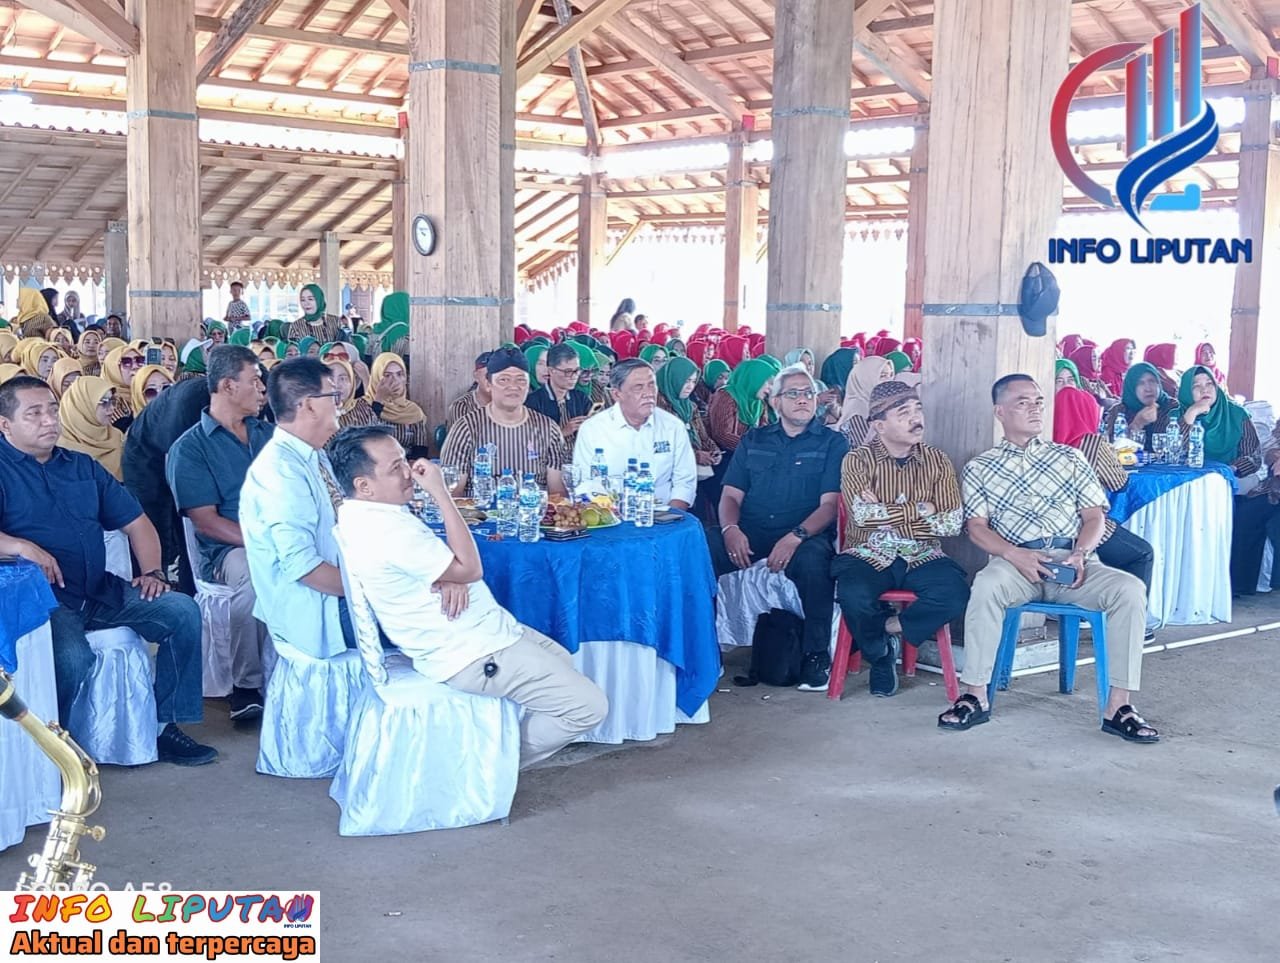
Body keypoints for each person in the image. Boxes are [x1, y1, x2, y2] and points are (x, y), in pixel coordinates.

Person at [331, 426, 608, 768]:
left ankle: (492, 745)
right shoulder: (387, 530)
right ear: (364, 486)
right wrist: (441, 497)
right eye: (395, 468)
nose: (409, 472)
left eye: (405, 460)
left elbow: (453, 568)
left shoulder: (366, 514)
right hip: (470, 652)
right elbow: (471, 569)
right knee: (589, 706)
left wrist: (453, 575)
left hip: (476, 631)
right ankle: (491, 767)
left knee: (562, 659)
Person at [0, 375, 213, 764]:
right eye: (34, 414)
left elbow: (137, 523)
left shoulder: (80, 466)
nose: (49, 420)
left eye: (52, 410)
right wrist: (19, 545)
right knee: (73, 657)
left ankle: (166, 726)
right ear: (5, 424)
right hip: (43, 602)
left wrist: (153, 572)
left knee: (180, 611)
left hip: (98, 590)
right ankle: (53, 748)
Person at [938, 374, 1158, 743]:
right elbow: (975, 528)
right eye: (1023, 402)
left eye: (1038, 400)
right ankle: (974, 695)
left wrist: (1080, 554)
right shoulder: (981, 466)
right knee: (987, 584)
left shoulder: (1069, 457)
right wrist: (1013, 554)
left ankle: (1118, 706)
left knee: (1130, 590)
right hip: (1016, 561)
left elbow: (1094, 516)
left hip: (1073, 562)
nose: (1035, 407)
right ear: (1000, 411)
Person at [710, 363, 845, 691]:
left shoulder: (832, 443)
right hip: (753, 530)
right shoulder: (754, 440)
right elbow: (730, 495)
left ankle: (816, 655)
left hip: (805, 533)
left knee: (816, 563)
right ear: (775, 402)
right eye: (794, 393)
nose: (803, 399)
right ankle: (703, 647)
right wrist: (730, 530)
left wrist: (796, 537)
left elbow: (830, 505)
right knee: (700, 549)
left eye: (809, 393)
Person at [833, 381, 969, 697]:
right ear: (879, 424)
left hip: (922, 554)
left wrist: (885, 511)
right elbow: (861, 517)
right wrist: (922, 509)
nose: (915, 418)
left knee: (954, 593)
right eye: (903, 412)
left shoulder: (937, 460)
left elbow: (950, 523)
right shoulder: (858, 460)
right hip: (869, 552)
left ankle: (887, 632)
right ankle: (880, 656)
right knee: (853, 593)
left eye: (917, 409)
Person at [167, 346, 273, 721]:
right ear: (228, 386)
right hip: (227, 550)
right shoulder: (190, 448)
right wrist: (266, 542)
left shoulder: (270, 435)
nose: (263, 388)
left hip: (280, 535)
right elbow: (207, 522)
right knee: (252, 575)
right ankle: (246, 687)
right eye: (255, 379)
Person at [240, 358, 354, 656]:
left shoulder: (312, 454)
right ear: (310, 405)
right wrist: (374, 587)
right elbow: (305, 568)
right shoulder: (280, 471)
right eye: (333, 395)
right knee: (435, 617)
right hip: (318, 610)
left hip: (337, 592)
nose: (339, 404)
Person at [1053, 385, 1156, 605]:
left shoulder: (1044, 442)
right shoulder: (1092, 443)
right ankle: (1132, 620)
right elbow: (1120, 483)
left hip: (1051, 529)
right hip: (1084, 526)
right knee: (1141, 553)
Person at [1176, 365, 1273, 595]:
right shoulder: (1176, 414)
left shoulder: (1237, 414)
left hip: (1233, 477)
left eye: (1209, 384)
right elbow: (1171, 453)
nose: (1204, 390)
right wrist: (1190, 415)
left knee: (1220, 490)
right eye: (1196, 386)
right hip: (1189, 480)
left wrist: (1230, 469)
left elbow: (1253, 456)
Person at [122, 376, 212, 594]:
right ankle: (154, 593)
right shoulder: (191, 403)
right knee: (158, 525)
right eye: (256, 386)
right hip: (146, 457)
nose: (260, 394)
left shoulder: (247, 405)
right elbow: (187, 471)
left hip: (174, 449)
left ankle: (190, 590)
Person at [441, 348, 569, 497]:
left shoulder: (548, 428)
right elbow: (451, 493)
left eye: (521, 380)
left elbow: (557, 494)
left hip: (531, 516)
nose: (513, 386)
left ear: (528, 385)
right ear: (488, 384)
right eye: (504, 380)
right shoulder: (466, 428)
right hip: (479, 517)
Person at [574, 358, 698, 509]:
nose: (649, 393)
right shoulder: (593, 429)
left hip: (664, 515)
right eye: (638, 387)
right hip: (610, 516)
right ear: (617, 394)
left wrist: (672, 516)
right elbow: (584, 482)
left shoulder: (673, 426)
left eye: (652, 385)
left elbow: (685, 481)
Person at [57, 375, 125, 480]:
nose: (112, 408)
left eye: (113, 401)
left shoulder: (118, 438)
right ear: (81, 405)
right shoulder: (59, 450)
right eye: (105, 402)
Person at [525, 342, 592, 445]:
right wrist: (563, 432)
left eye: (577, 370)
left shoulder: (581, 399)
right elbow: (530, 441)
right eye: (568, 372)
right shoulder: (533, 402)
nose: (574, 376)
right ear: (551, 371)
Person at [1102, 362, 1179, 451]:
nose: (1148, 388)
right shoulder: (1119, 411)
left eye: (1152, 381)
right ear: (1131, 387)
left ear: (1159, 384)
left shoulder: (1172, 407)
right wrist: (1137, 424)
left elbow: (1184, 444)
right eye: (1140, 383)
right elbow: (1110, 449)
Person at [367, 352, 430, 459]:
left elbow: (420, 450)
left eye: (399, 374)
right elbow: (366, 437)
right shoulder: (364, 406)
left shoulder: (412, 411)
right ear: (377, 378)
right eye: (387, 375)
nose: (395, 380)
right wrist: (379, 401)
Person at [707, 357, 775, 453]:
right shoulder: (725, 396)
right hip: (726, 457)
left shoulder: (759, 403)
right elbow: (722, 435)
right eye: (768, 383)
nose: (770, 388)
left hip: (750, 455)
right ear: (754, 379)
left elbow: (763, 431)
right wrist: (754, 447)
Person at [837, 355, 895, 449]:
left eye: (890, 375)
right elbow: (870, 450)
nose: (888, 381)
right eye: (883, 376)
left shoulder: (876, 405)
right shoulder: (858, 410)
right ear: (865, 379)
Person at [446, 351, 494, 428]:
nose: (492, 381)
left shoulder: (508, 402)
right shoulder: (461, 406)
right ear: (476, 376)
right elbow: (460, 438)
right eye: (488, 376)